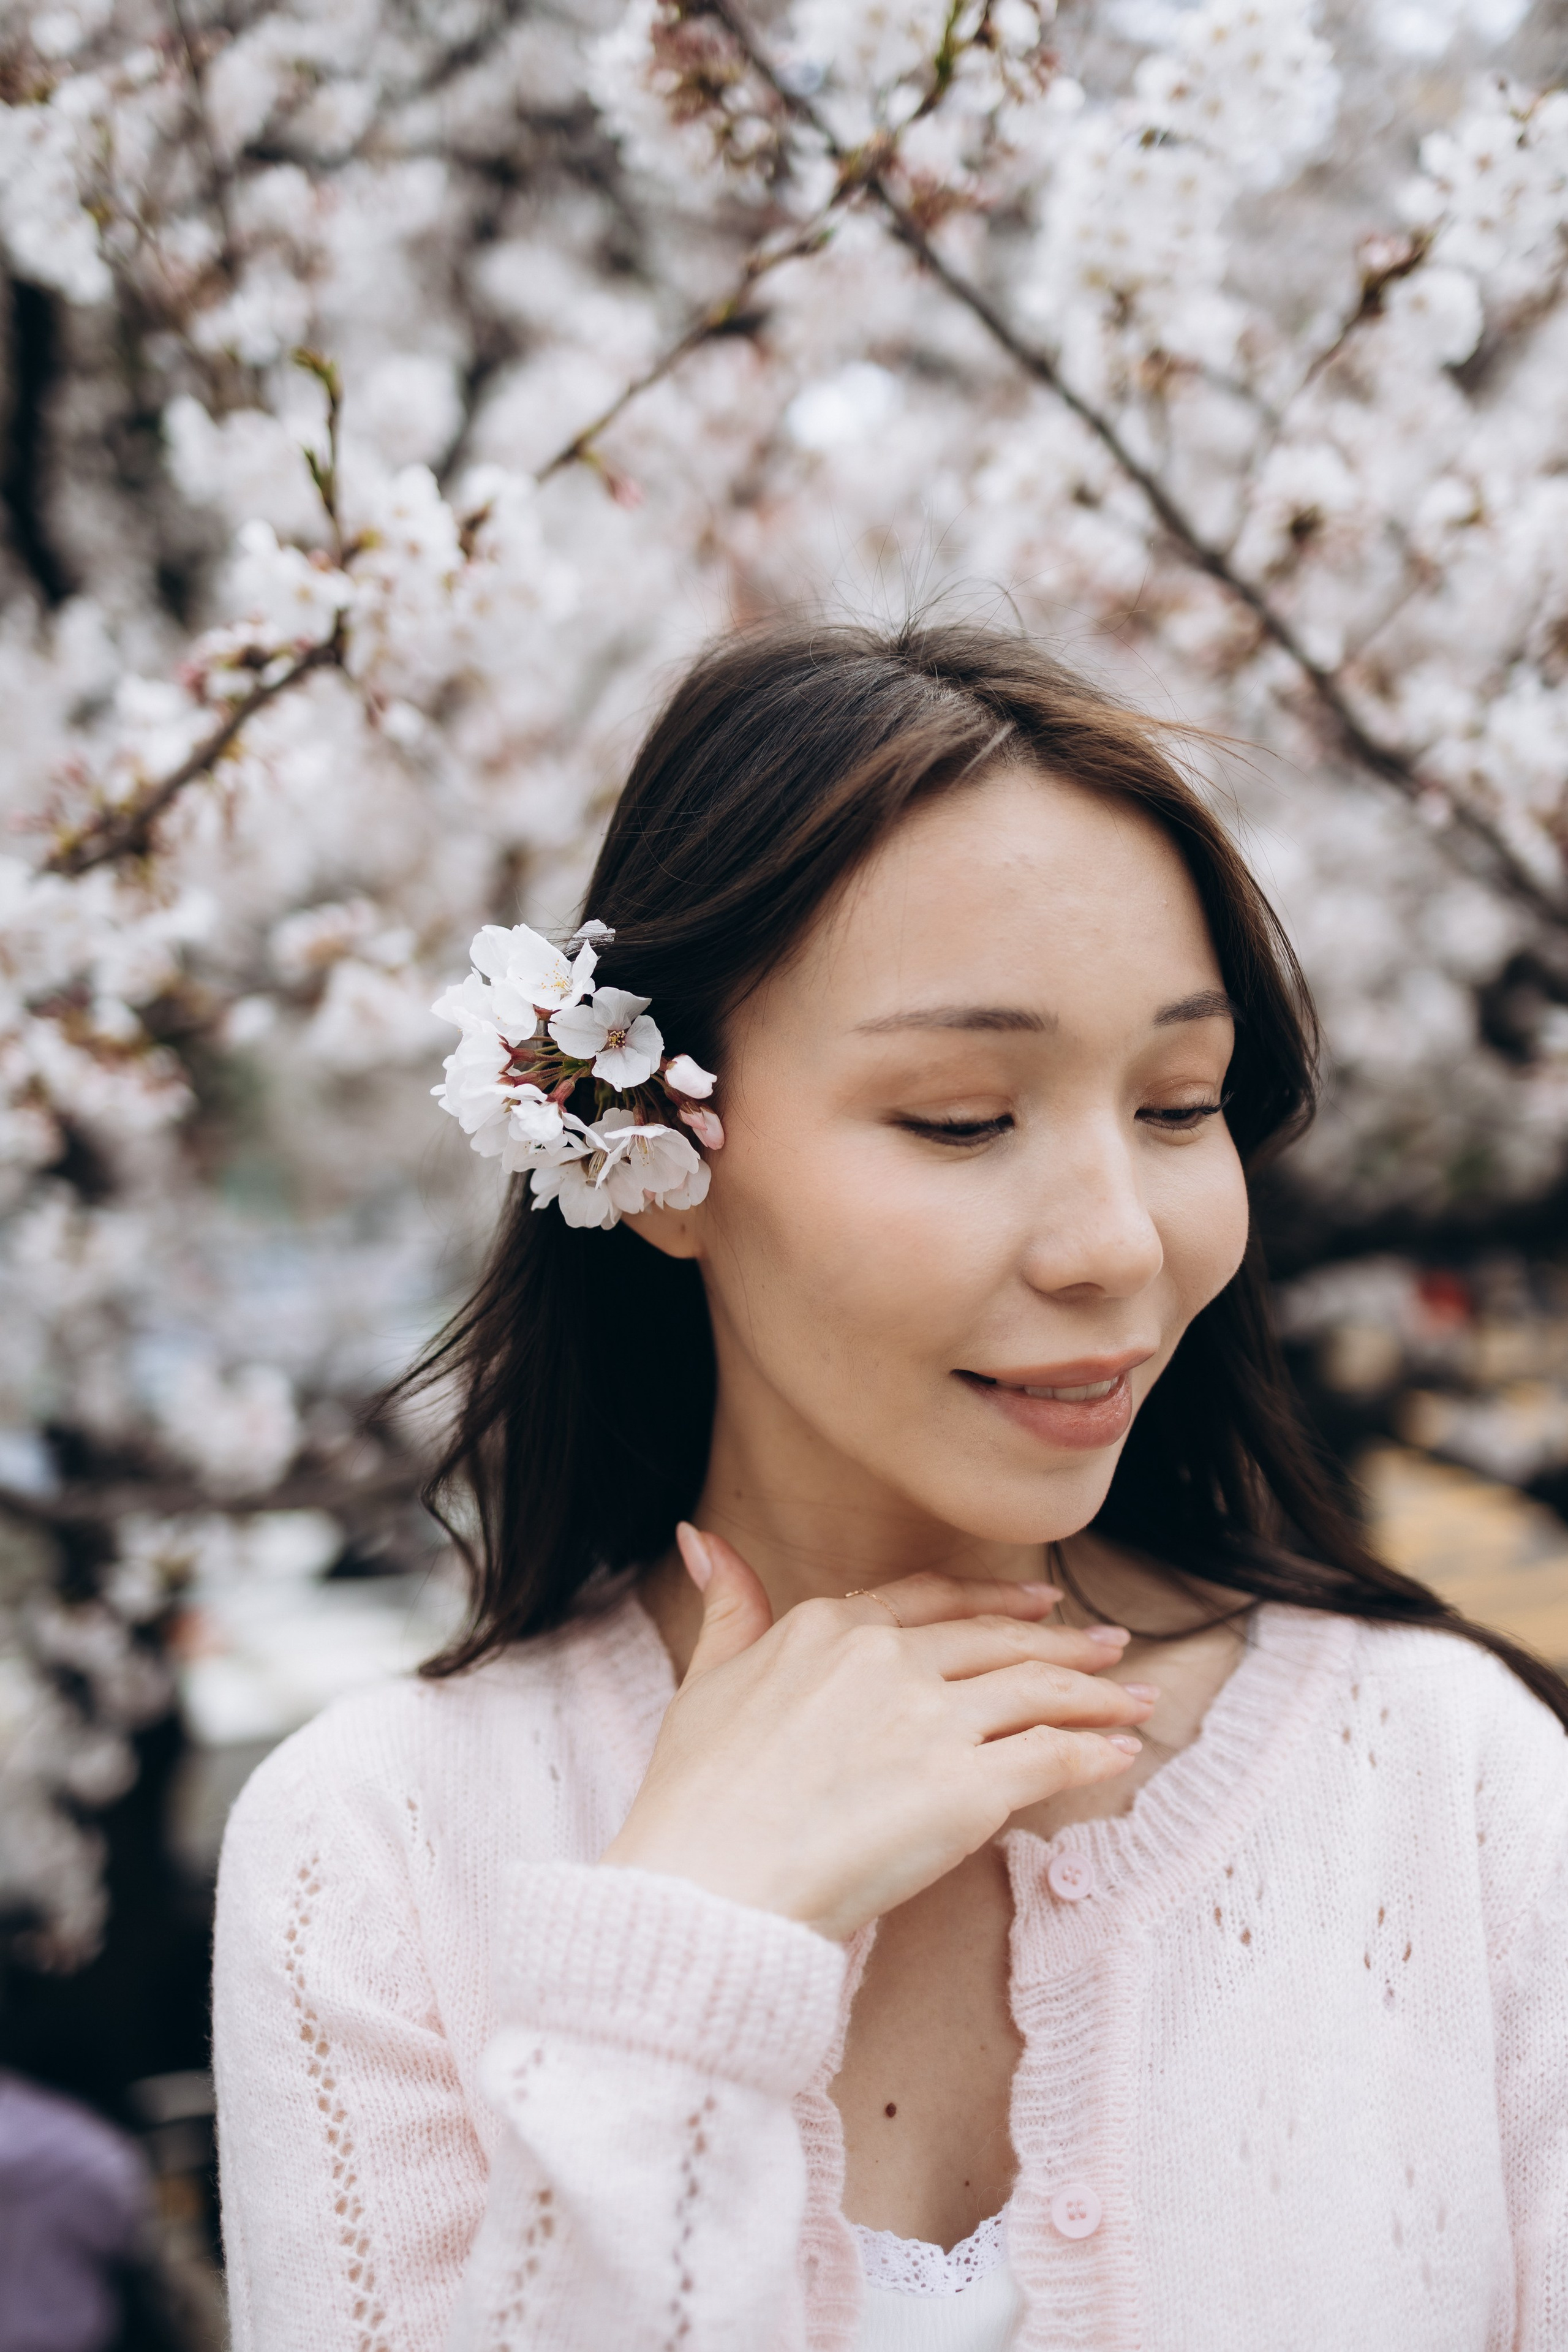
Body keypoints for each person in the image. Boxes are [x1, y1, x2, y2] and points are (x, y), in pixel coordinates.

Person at [213, 622, 1568, 2352]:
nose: (1115, 1244)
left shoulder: (1449, 1785)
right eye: (959, 1119)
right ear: (654, 1158)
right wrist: (685, 1950)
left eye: (1178, 1104)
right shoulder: (376, 1850)